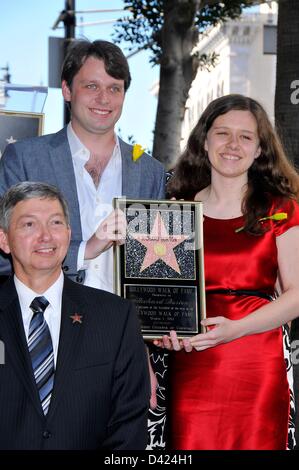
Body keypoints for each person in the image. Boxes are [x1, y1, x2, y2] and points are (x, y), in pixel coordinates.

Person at [0, 39, 166, 443]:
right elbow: (5, 255)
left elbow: (152, 274)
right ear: (67, 90)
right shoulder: (24, 158)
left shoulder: (150, 171)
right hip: (44, 335)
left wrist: (142, 349)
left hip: (120, 341)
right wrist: (84, 249)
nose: (104, 98)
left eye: (115, 88)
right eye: (91, 86)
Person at [160, 94, 299, 450]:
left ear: (259, 150)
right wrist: (160, 334)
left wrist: (235, 329)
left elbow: (296, 295)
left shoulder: (282, 210)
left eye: (246, 137)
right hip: (192, 367)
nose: (233, 145)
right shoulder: (173, 211)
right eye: (222, 133)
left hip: (257, 367)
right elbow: (158, 299)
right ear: (204, 141)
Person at [0, 181, 150, 450]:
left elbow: (129, 424)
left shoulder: (116, 317)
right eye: (29, 225)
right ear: (4, 240)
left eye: (56, 223)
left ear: (69, 234)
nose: (45, 236)